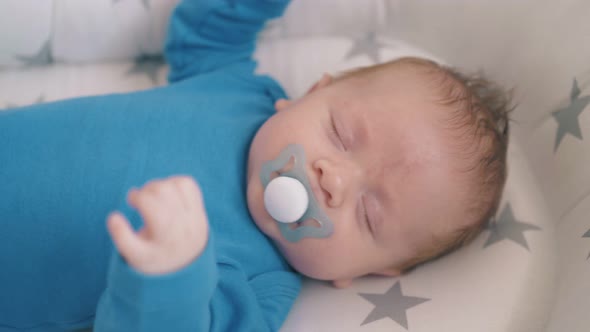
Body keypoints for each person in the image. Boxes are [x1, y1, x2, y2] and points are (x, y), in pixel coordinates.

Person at [0, 0, 512, 331]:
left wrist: (171, 276)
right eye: (340, 133)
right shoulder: (242, 91)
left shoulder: (256, 286)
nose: (334, 179)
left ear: (370, 271)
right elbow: (209, 29)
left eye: (369, 215)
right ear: (312, 93)